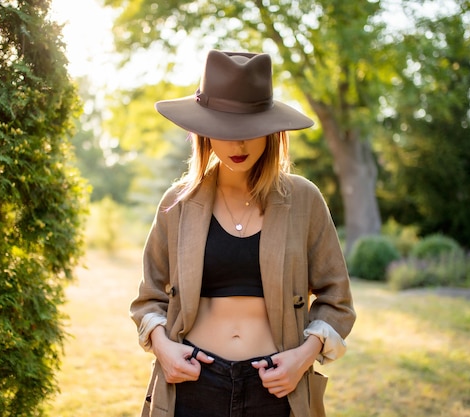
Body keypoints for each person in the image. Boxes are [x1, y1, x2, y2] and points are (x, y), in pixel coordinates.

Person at [130, 49, 356, 417]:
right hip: (191, 384)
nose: (239, 144)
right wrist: (163, 348)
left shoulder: (304, 200)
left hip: (277, 387)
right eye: (225, 129)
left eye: (250, 130)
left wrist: (303, 357)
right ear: (204, 130)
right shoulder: (178, 203)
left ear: (271, 130)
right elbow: (149, 298)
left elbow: (337, 299)